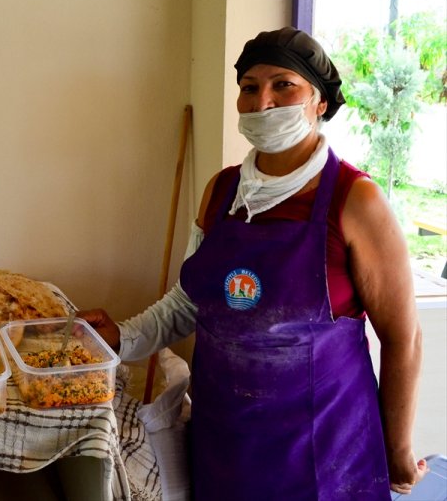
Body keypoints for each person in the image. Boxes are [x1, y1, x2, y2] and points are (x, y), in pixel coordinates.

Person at [79, 27, 429, 499]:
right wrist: (123, 337)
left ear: (319, 102)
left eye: (284, 84)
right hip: (225, 438)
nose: (263, 101)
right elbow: (191, 300)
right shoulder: (222, 191)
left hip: (322, 449)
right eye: (249, 87)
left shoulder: (355, 201)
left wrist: (397, 449)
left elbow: (402, 336)